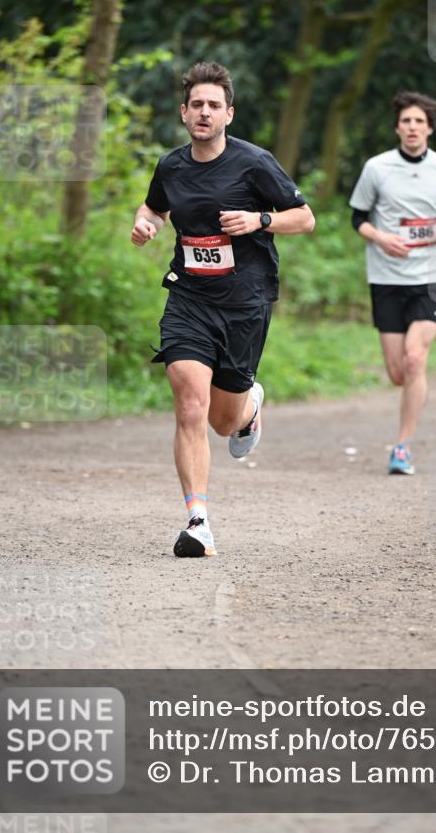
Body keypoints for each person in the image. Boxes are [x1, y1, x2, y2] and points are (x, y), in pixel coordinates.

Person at [132, 61, 315, 556]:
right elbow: (154, 207)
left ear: (228, 114)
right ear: (184, 112)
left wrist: (260, 219)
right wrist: (145, 224)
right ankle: (198, 522)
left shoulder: (254, 162)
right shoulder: (171, 166)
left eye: (214, 105)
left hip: (244, 303)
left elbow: (305, 218)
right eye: (197, 105)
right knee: (190, 405)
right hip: (189, 298)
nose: (205, 113)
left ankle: (250, 407)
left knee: (222, 420)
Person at [349, 90, 436, 475]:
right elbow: (358, 218)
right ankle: (410, 401)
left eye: (419, 121)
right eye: (406, 121)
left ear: (430, 128)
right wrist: (381, 237)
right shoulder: (377, 168)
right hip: (386, 278)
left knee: (415, 359)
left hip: (429, 276)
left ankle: (401, 447)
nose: (412, 127)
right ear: (398, 128)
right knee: (397, 373)